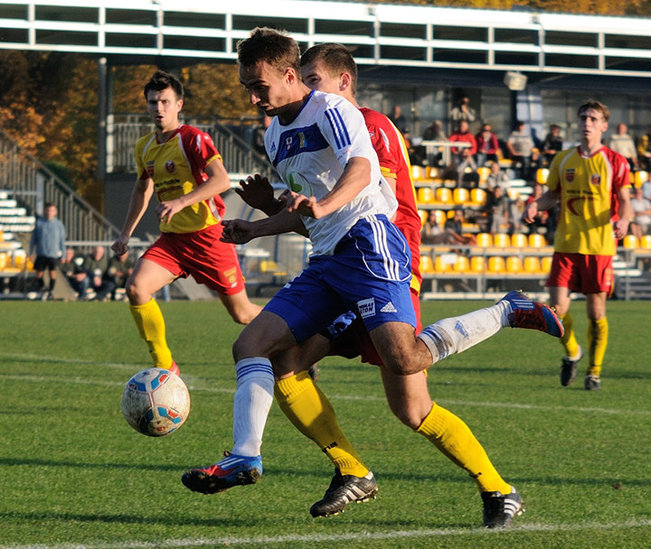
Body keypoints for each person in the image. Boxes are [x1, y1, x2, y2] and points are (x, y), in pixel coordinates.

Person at [181, 28, 564, 529]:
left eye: (258, 86)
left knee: (407, 380)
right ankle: (250, 456)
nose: (252, 98)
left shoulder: (340, 113)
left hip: (370, 247)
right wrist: (257, 225)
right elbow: (305, 212)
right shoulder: (275, 133)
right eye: (246, 87)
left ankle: (506, 312)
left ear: (292, 76)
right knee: (258, 348)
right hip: (326, 262)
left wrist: (321, 204)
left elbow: (361, 173)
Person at [111, 70, 261, 374]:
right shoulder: (144, 147)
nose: (159, 108)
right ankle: (166, 367)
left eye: (165, 101)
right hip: (173, 242)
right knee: (137, 288)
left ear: (179, 104)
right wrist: (125, 234)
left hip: (209, 238)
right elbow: (142, 190)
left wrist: (181, 201)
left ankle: (298, 334)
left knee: (243, 314)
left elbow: (221, 180)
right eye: (153, 102)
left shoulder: (193, 138)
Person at [523, 100, 632, 391]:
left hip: (599, 247)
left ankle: (593, 372)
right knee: (556, 310)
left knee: (596, 314)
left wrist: (624, 221)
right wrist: (535, 205)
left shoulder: (615, 161)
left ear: (604, 126)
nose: (587, 123)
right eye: (583, 117)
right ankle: (573, 352)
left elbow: (625, 202)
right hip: (566, 244)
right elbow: (552, 195)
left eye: (593, 119)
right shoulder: (563, 159)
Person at [29, 202, 66, 300]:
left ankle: (51, 291)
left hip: (53, 254)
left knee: (52, 273)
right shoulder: (39, 223)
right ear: (45, 211)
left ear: (55, 212)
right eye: (48, 210)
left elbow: (62, 241)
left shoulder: (58, 224)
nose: (49, 212)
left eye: (52, 210)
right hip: (41, 253)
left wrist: (63, 255)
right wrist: (31, 252)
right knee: (39, 274)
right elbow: (33, 239)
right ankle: (44, 290)